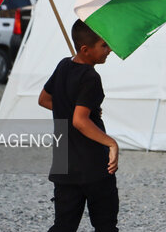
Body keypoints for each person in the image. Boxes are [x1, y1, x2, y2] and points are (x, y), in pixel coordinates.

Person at [38, 19, 119, 232]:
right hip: (92, 165)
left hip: (64, 164)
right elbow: (79, 121)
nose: (109, 49)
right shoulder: (91, 77)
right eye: (104, 45)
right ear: (85, 49)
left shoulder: (63, 65)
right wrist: (111, 143)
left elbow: (44, 99)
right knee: (105, 226)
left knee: (63, 226)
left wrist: (80, 108)